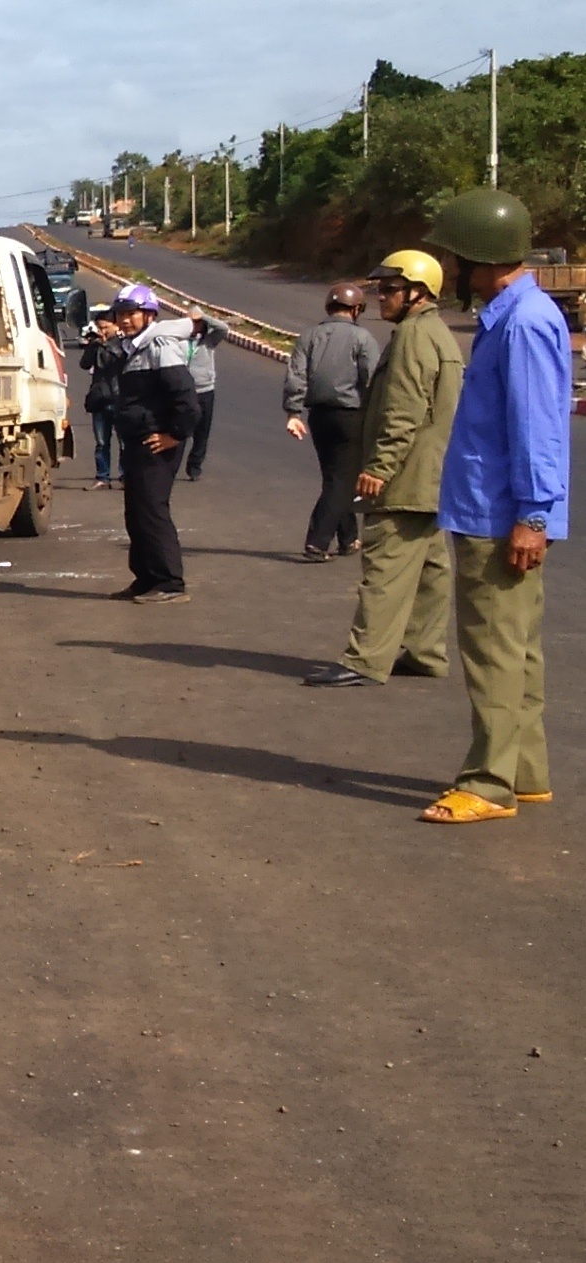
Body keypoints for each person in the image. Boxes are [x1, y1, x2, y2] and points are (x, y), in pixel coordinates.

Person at [415, 190, 572, 825]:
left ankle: (489, 784)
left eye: (456, 256)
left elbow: (538, 426)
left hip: (499, 514)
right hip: (497, 509)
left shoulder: (523, 322)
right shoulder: (514, 314)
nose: (451, 269)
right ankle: (525, 772)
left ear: (481, 258)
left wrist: (533, 515)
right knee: (518, 649)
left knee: (493, 652)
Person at [305, 251, 463, 690]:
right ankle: (425, 652)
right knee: (430, 569)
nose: (382, 298)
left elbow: (403, 411)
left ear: (419, 292)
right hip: (432, 472)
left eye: (391, 290)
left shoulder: (414, 337)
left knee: (384, 567)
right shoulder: (436, 333)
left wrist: (379, 466)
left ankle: (364, 659)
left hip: (406, 474)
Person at [103, 283, 197, 604]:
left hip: (158, 441)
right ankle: (145, 578)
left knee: (153, 510)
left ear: (148, 314)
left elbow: (186, 400)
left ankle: (170, 582)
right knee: (135, 512)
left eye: (131, 314)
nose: (125, 320)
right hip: (137, 440)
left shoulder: (160, 346)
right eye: (121, 314)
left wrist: (174, 435)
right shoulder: (132, 347)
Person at [284, 281, 381, 561]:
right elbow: (373, 379)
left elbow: (296, 376)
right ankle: (317, 541)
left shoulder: (308, 337)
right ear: (357, 309)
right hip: (351, 416)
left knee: (336, 477)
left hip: (319, 417)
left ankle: (348, 539)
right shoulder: (363, 339)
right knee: (342, 481)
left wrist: (293, 413)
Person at [174, 306, 228, 480]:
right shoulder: (178, 341)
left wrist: (203, 315)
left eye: (198, 323)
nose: (195, 326)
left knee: (202, 432)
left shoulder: (209, 341)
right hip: (183, 392)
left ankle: (194, 466)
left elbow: (224, 328)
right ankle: (172, 465)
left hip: (205, 390)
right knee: (181, 429)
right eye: (192, 323)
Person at [79, 307, 123, 490]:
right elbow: (84, 364)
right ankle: (102, 477)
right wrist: (93, 345)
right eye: (100, 328)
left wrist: (104, 344)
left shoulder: (122, 343)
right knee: (101, 442)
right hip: (99, 399)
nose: (103, 331)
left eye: (106, 327)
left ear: (115, 325)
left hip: (119, 398)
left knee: (124, 442)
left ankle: (125, 476)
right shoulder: (97, 344)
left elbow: (113, 361)